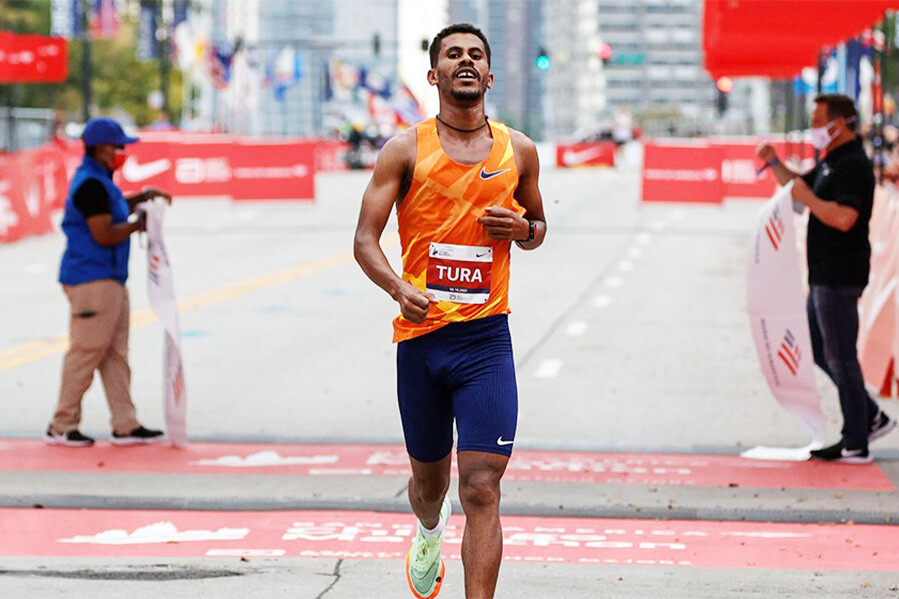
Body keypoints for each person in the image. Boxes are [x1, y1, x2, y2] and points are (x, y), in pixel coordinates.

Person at [353, 23, 546, 598]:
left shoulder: (519, 151)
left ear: (490, 75)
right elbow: (364, 240)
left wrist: (524, 229)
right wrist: (397, 288)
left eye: (476, 55)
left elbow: (538, 227)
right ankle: (428, 530)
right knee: (429, 487)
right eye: (454, 54)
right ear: (434, 75)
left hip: (485, 342)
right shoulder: (405, 150)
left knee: (482, 486)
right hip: (422, 340)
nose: (466, 61)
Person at [756, 94, 895, 463]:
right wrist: (774, 163)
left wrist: (810, 199)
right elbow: (798, 190)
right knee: (817, 345)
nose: (814, 128)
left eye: (819, 121)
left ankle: (856, 440)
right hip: (822, 273)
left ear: (840, 123)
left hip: (840, 275)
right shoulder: (831, 161)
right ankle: (870, 416)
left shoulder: (853, 165)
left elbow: (844, 218)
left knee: (841, 354)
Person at [46, 117, 172, 448]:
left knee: (115, 354)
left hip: (107, 278)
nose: (122, 152)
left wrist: (140, 198)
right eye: (118, 146)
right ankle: (61, 425)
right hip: (92, 278)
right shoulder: (90, 185)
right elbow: (103, 233)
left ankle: (125, 425)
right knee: (86, 352)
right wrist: (138, 224)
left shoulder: (100, 181)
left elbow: (111, 209)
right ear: (101, 148)